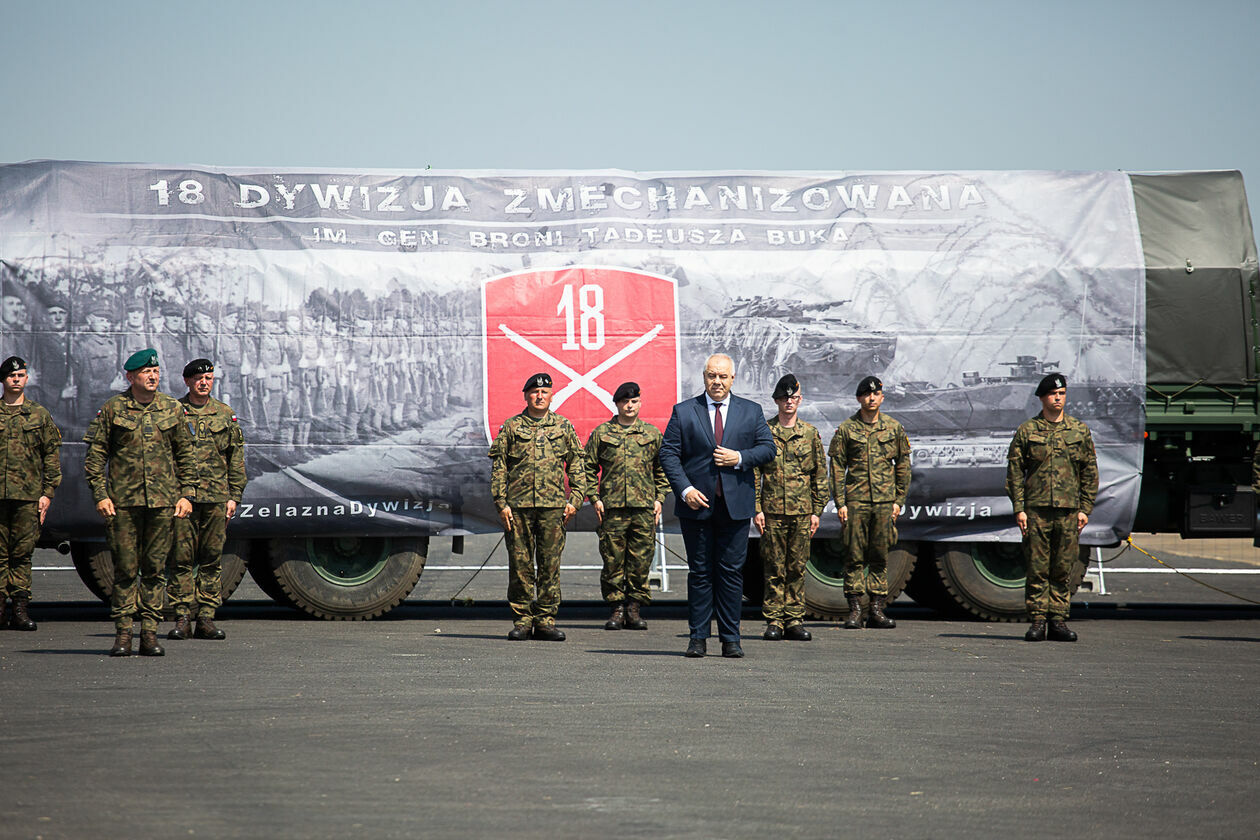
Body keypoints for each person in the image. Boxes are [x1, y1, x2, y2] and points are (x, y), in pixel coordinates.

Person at [660, 353, 775, 659]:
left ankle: (730, 639)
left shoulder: (751, 411)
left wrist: (740, 458)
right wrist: (685, 490)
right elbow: (668, 454)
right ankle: (698, 638)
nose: (717, 382)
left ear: (733, 379)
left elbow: (768, 449)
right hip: (696, 506)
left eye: (723, 376)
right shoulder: (685, 411)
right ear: (704, 377)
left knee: (731, 573)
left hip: (735, 507)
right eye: (712, 375)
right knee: (700, 573)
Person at [84, 349, 196, 657]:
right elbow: (95, 457)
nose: (153, 376)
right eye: (146, 372)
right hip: (123, 504)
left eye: (156, 371)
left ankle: (149, 634)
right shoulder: (113, 409)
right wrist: (101, 494)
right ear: (130, 377)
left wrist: (186, 494)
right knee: (125, 570)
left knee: (155, 570)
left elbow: (186, 454)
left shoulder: (172, 409)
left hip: (162, 503)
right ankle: (123, 634)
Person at [488, 372, 586, 641]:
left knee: (549, 566)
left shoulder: (563, 426)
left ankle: (545, 620)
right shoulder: (512, 427)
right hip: (518, 508)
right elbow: (499, 468)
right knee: (520, 566)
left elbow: (577, 464)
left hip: (553, 508)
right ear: (526, 396)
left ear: (551, 395)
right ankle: (522, 620)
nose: (539, 396)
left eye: (544, 392)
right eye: (534, 392)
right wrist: (501, 503)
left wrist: (576, 499)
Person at [1006, 372, 1098, 642]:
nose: (1058, 398)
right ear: (1042, 398)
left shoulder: (1079, 431)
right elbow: (1014, 473)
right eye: (1052, 394)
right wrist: (1019, 508)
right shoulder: (1027, 431)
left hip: (1068, 511)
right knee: (1037, 567)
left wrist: (1085, 508)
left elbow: (1090, 472)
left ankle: (1058, 620)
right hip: (1037, 511)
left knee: (1063, 567)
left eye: (1061, 394)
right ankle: (1037, 620)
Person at [166, 359, 247, 642]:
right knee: (181, 558)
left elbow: (235, 458)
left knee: (212, 558)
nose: (204, 383)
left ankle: (206, 618)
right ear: (187, 381)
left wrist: (234, 496)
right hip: (183, 499)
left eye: (208, 378)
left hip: (216, 497)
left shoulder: (224, 414)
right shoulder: (174, 412)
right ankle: (181, 617)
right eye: (198, 378)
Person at [584, 381, 670, 631]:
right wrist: (594, 497)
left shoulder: (651, 434)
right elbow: (587, 467)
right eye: (624, 401)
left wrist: (659, 498)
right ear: (617, 404)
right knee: (613, 560)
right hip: (612, 509)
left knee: (641, 560)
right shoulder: (602, 433)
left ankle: (633, 609)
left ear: (640, 403)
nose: (629, 406)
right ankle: (616, 608)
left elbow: (662, 468)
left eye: (634, 401)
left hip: (643, 508)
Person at [828, 376, 912, 630]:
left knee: (880, 554)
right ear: (859, 398)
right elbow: (837, 467)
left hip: (884, 502)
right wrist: (840, 502)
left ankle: (876, 609)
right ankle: (855, 610)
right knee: (854, 555)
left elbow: (903, 464)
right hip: (856, 501)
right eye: (866, 394)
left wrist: (899, 499)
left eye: (875, 394)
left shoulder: (893, 428)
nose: (871, 398)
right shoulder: (847, 429)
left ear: (882, 398)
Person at [754, 374, 827, 641]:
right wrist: (757, 508)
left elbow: (820, 474)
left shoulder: (809, 433)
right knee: (774, 567)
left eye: (793, 398)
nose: (789, 402)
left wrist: (817, 511)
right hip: (773, 512)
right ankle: (774, 620)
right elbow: (755, 473)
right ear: (776, 401)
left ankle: (795, 619)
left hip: (802, 513)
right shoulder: (764, 432)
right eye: (784, 398)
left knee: (796, 567)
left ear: (800, 400)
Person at [0, 356, 61, 631]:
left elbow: (51, 456)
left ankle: (20, 609)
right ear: (3, 380)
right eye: (11, 376)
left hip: (28, 497)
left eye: (21, 375)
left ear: (26, 379)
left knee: (22, 554)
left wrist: (47, 493)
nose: (16, 379)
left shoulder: (38, 415)